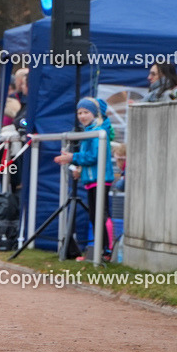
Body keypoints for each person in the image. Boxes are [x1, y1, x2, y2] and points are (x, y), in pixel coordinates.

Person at [54, 97, 115, 261]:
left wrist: (73, 157)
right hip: (91, 179)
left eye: (86, 112)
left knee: (101, 214)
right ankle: (100, 251)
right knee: (94, 215)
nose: (82, 116)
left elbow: (94, 156)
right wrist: (80, 169)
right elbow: (90, 158)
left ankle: (107, 251)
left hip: (101, 179)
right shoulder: (90, 131)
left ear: (95, 114)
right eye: (79, 113)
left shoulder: (98, 132)